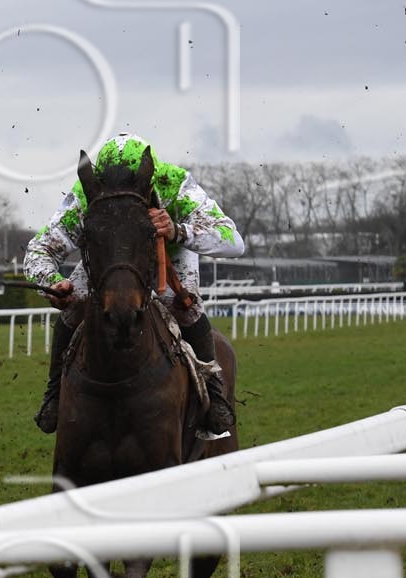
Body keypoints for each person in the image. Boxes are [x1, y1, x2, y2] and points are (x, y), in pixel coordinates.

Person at [24, 133, 246, 436]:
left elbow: (234, 241)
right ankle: (54, 393)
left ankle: (213, 392)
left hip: (167, 254)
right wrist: (52, 282)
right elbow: (39, 250)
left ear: (150, 181)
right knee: (74, 308)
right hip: (110, 258)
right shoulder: (85, 195)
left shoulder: (175, 183)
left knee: (185, 309)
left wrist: (179, 231)